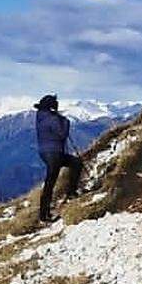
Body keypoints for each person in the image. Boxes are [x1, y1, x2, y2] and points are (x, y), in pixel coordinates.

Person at [34, 94, 83, 223]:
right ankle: (45, 214)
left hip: (45, 152)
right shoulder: (52, 119)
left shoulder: (40, 117)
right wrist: (66, 122)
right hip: (55, 153)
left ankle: (44, 213)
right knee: (52, 181)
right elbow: (62, 135)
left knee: (72, 164)